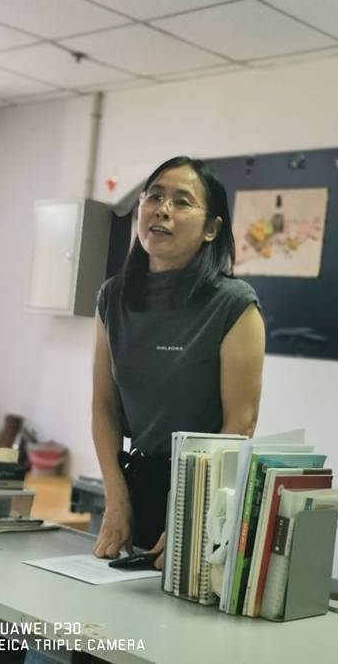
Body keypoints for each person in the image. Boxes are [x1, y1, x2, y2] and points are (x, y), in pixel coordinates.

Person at [92, 156, 265, 568]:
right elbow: (104, 405)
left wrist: (193, 514)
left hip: (207, 491)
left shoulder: (234, 305)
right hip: (138, 484)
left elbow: (240, 424)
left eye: (182, 201)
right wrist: (116, 500)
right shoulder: (114, 297)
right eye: (154, 197)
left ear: (211, 229)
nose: (162, 209)